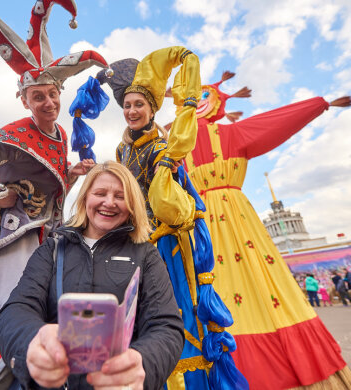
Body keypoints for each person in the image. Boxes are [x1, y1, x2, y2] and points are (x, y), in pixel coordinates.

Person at [0, 3, 107, 388]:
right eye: (38, 97)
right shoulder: (13, 134)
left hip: (53, 241)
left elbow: (54, 196)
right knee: (12, 311)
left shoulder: (61, 139)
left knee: (50, 312)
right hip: (16, 240)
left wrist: (73, 176)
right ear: (24, 101)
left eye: (52, 94)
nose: (48, 103)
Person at [177, 69, 351, 388]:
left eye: (205, 95)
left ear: (216, 101)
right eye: (193, 96)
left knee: (252, 284)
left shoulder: (231, 134)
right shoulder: (176, 148)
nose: (197, 101)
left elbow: (274, 121)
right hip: (197, 224)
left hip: (233, 222)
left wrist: (318, 104)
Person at [92, 48, 246, 389]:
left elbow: (173, 207)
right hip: (134, 245)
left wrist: (169, 175)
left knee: (175, 315)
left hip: (166, 246)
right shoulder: (122, 151)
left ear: (151, 109)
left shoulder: (163, 150)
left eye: (138, 105)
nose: (132, 111)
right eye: (127, 105)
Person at [0, 161, 184, 390]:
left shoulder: (146, 255)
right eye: (100, 193)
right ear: (85, 198)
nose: (109, 202)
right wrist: (31, 343)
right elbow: (17, 308)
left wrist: (144, 363)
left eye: (120, 196)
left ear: (132, 205)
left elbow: (166, 326)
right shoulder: (52, 249)